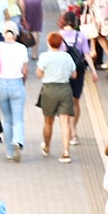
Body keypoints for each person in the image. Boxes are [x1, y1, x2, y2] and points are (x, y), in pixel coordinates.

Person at [0, 27, 32, 159]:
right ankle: (18, 141)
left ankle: (9, 151)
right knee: (18, 118)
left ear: (4, 34)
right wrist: (22, 82)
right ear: (16, 35)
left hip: (1, 84)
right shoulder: (22, 48)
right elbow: (25, 71)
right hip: (17, 83)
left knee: (7, 119)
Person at [36, 32, 76, 162]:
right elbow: (74, 75)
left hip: (49, 89)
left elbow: (39, 74)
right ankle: (66, 152)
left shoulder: (45, 56)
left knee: (48, 121)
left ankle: (47, 146)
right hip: (65, 89)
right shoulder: (67, 57)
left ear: (48, 42)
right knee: (65, 123)